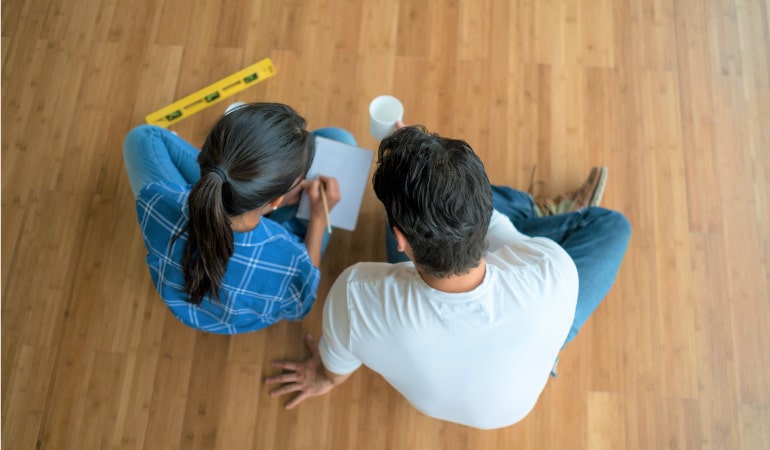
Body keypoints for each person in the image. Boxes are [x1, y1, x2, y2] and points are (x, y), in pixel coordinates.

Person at [266, 125, 631, 429]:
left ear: (400, 240)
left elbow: (334, 369)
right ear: (484, 213)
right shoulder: (552, 268)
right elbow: (499, 228)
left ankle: (524, 208)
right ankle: (534, 209)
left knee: (496, 212)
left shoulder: (356, 295)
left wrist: (322, 378)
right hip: (539, 337)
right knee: (611, 225)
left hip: (511, 332)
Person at [123, 102, 355, 334]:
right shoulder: (289, 259)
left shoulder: (156, 198)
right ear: (276, 201)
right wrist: (318, 220)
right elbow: (301, 305)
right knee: (337, 138)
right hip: (237, 312)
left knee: (144, 137)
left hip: (188, 302)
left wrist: (266, 197)